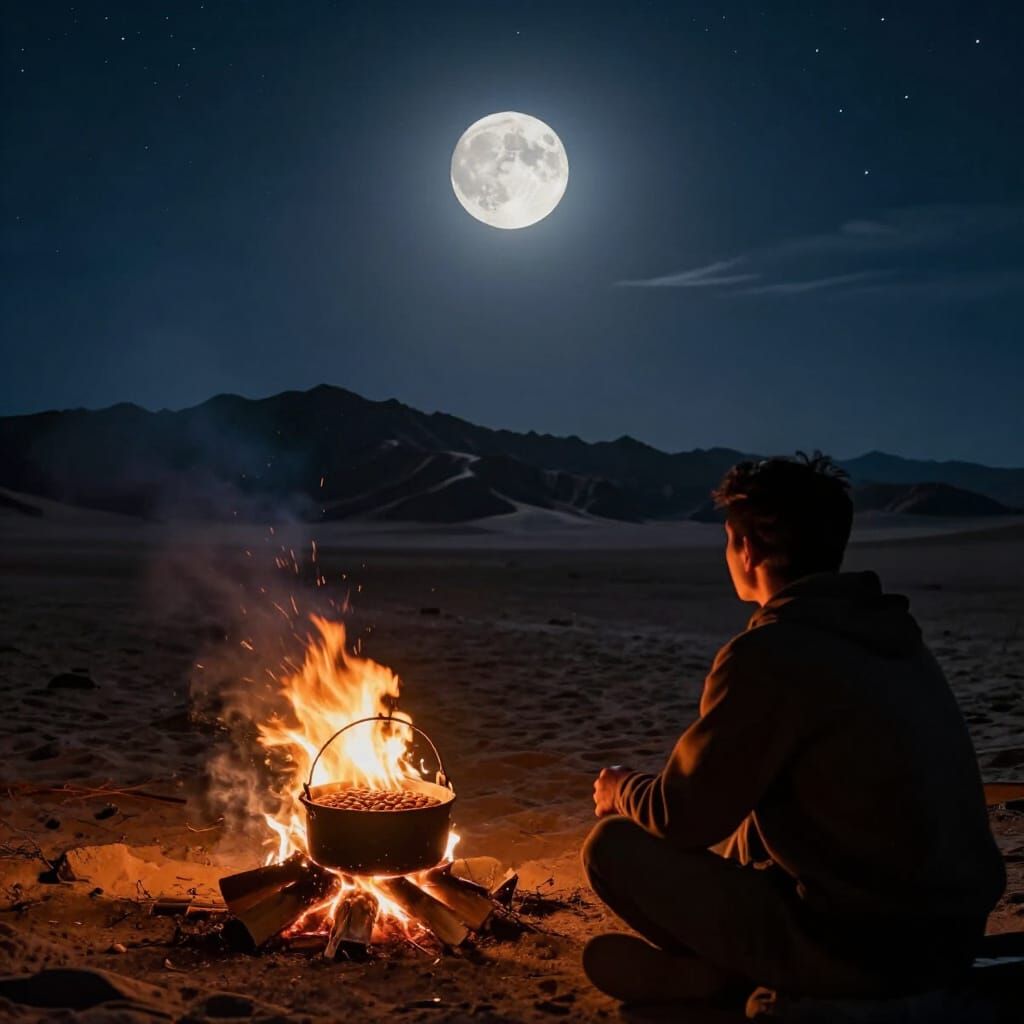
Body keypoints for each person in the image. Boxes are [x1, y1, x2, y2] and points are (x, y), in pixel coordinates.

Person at [582, 453, 1005, 1011]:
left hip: (864, 948)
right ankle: (723, 970)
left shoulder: (769, 653)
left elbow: (683, 816)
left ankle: (725, 977)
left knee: (612, 847)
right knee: (760, 814)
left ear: (747, 548)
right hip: (953, 937)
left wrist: (620, 788)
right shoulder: (892, 636)